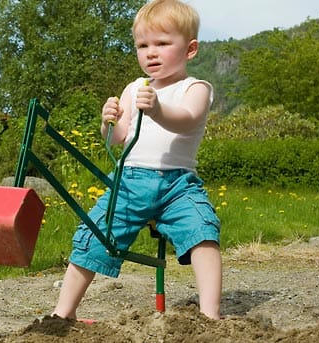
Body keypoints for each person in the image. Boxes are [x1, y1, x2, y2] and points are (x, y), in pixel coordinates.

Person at [51, 0, 222, 320]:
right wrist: (108, 122)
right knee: (94, 233)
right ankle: (64, 313)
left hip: (178, 185)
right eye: (143, 45)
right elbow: (117, 139)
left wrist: (157, 109)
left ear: (190, 49)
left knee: (203, 230)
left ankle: (210, 315)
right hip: (129, 181)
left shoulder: (195, 88)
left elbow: (187, 119)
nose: (151, 52)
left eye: (162, 43)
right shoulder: (135, 87)